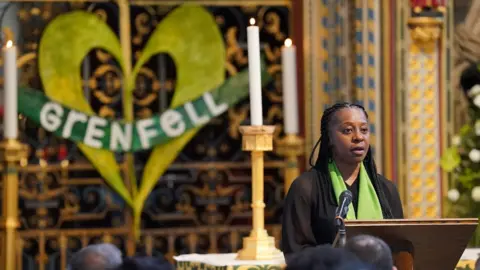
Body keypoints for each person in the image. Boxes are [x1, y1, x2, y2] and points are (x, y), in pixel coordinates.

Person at [281, 103, 404, 254]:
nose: (358, 137)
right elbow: (297, 252)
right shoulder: (305, 188)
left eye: (364, 130)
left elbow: (400, 248)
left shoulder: (386, 190)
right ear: (330, 138)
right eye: (348, 130)